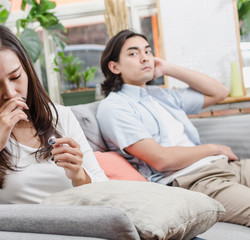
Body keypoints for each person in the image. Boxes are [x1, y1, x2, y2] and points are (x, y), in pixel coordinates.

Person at [0, 23, 108, 217]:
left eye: (15, 76)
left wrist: (79, 175)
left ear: (27, 70)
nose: (10, 92)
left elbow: (106, 193)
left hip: (86, 224)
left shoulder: (59, 116)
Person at [96, 29, 250, 226]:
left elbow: (220, 92)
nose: (144, 58)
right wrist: (214, 148)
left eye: (148, 52)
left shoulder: (160, 95)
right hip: (194, 181)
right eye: (133, 53)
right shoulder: (114, 107)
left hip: (225, 167)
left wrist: (168, 68)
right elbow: (161, 160)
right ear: (114, 66)